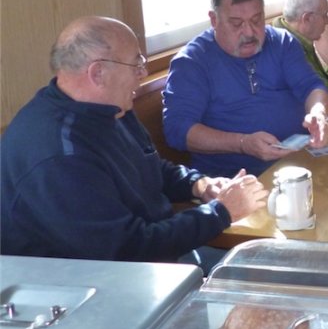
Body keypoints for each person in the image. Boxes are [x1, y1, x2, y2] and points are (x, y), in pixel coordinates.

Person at [0, 17, 267, 272]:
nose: (143, 72)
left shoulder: (111, 108)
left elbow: (150, 166)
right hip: (97, 283)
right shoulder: (59, 155)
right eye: (135, 63)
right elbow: (127, 251)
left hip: (157, 257)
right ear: (98, 73)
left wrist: (198, 184)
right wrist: (221, 212)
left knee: (263, 265)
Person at [164, 0, 328, 179]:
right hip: (233, 179)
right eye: (237, 23)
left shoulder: (282, 42)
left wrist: (319, 112)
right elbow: (178, 130)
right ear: (214, 20)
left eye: (256, 20)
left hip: (300, 162)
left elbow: (313, 87)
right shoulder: (192, 62)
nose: (249, 32)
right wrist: (242, 143)